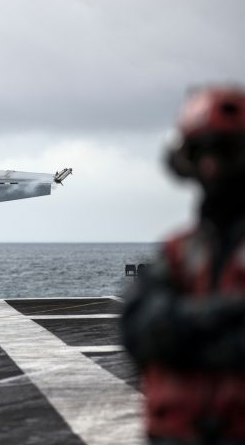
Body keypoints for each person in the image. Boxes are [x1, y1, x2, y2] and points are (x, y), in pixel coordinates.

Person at [122, 85, 245, 445]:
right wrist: (226, 313)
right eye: (200, 153)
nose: (211, 166)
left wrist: (185, 332)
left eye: (223, 151)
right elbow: (138, 328)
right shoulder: (180, 250)